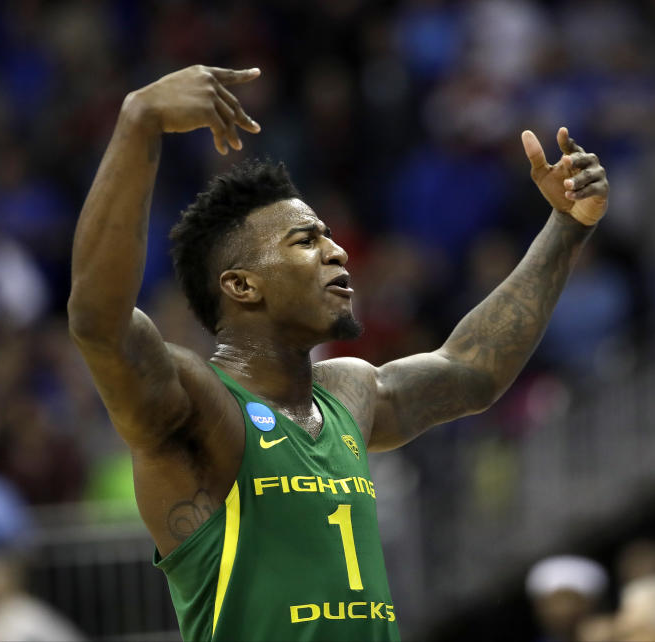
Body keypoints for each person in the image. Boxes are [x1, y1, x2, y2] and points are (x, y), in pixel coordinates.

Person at [68, 64, 609, 642]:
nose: (338, 252)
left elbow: (471, 370)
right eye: (306, 241)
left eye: (329, 235)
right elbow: (99, 322)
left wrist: (566, 226)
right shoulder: (196, 402)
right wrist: (138, 122)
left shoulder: (349, 390)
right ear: (242, 286)